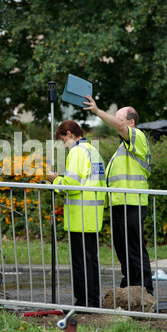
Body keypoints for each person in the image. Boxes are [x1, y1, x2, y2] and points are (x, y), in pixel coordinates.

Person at [83, 96, 153, 294]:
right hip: (119, 203)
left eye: (119, 119)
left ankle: (144, 290)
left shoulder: (137, 136)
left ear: (130, 122)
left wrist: (97, 111)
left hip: (132, 202)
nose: (115, 122)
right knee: (123, 250)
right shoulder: (123, 147)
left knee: (134, 249)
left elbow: (121, 129)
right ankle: (130, 287)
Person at [47, 120, 106, 307]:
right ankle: (93, 300)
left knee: (80, 264)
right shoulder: (93, 150)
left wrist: (55, 180)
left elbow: (71, 185)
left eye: (63, 140)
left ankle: (83, 302)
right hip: (92, 214)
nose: (64, 145)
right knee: (91, 261)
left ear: (70, 134)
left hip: (79, 215)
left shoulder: (77, 152)